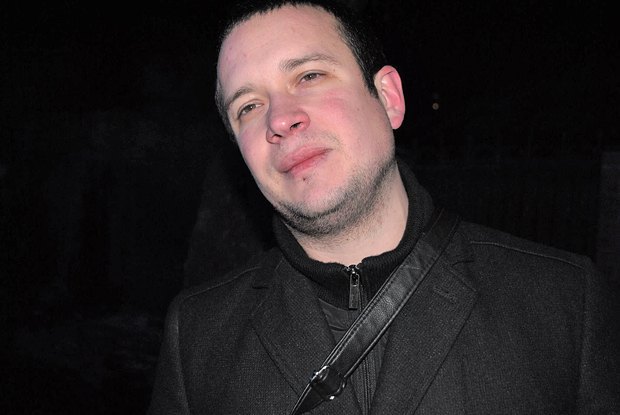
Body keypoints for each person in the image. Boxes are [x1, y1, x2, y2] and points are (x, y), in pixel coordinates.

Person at [148, 1, 620, 413]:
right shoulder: (198, 337)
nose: (280, 119)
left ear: (389, 99)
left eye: (309, 76)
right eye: (248, 106)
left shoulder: (563, 305)